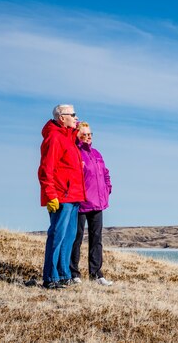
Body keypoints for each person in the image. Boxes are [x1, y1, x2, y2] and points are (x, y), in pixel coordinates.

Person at [38, 104, 85, 289]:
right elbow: (45, 169)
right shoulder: (54, 137)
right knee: (57, 236)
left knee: (69, 237)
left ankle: (64, 274)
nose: (76, 117)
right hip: (61, 196)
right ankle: (50, 277)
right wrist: (51, 195)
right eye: (73, 114)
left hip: (74, 196)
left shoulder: (69, 138)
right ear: (61, 118)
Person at [70, 121, 114, 286]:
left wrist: (107, 188)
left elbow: (105, 172)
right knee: (77, 238)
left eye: (90, 134)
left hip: (98, 203)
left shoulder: (96, 153)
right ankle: (74, 273)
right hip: (81, 203)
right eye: (85, 134)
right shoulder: (75, 152)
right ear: (78, 135)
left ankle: (96, 274)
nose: (88, 136)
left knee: (97, 239)